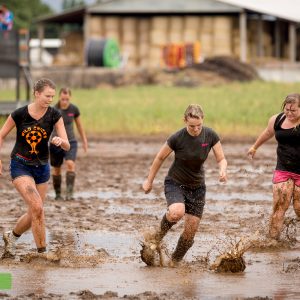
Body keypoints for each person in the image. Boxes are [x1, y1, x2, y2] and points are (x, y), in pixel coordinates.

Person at [142, 104, 227, 265]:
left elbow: (221, 159)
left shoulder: (210, 135)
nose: (196, 129)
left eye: (199, 126)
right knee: (176, 212)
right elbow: (160, 158)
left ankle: (175, 261)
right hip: (176, 183)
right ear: (184, 121)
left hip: (198, 187)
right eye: (191, 126)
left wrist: (222, 170)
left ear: (203, 120)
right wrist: (149, 180)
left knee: (190, 231)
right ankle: (157, 237)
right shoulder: (177, 138)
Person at [0, 78, 70, 258]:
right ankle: (42, 254)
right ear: (36, 93)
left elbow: (67, 145)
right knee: (38, 208)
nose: (50, 99)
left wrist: (61, 141)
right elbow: (0, 136)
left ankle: (12, 237)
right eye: (47, 96)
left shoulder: (55, 115)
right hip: (20, 165)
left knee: (35, 212)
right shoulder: (19, 114)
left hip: (42, 167)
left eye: (52, 96)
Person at [247, 93, 300, 240]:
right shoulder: (277, 120)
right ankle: (273, 242)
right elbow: (268, 132)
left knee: (298, 208)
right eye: (286, 109)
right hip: (283, 168)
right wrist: (255, 147)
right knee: (279, 207)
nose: (289, 113)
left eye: (293, 110)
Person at [50, 87, 88, 200]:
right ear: (59, 97)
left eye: (67, 99)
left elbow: (79, 126)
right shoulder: (53, 110)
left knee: (70, 164)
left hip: (70, 141)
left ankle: (69, 193)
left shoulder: (74, 109)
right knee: (56, 169)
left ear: (70, 97)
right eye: (63, 99)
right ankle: (58, 194)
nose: (65, 101)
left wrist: (84, 141)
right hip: (55, 142)